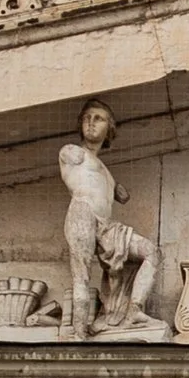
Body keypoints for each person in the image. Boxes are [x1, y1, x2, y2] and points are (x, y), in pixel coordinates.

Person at [61, 106, 162, 339]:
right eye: (86, 118)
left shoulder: (105, 169)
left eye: (98, 119)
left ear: (110, 128)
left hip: (107, 227)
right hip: (83, 213)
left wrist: (115, 189)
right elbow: (75, 161)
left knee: (151, 253)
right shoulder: (71, 151)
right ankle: (78, 335)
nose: (90, 122)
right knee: (82, 275)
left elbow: (115, 192)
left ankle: (134, 311)